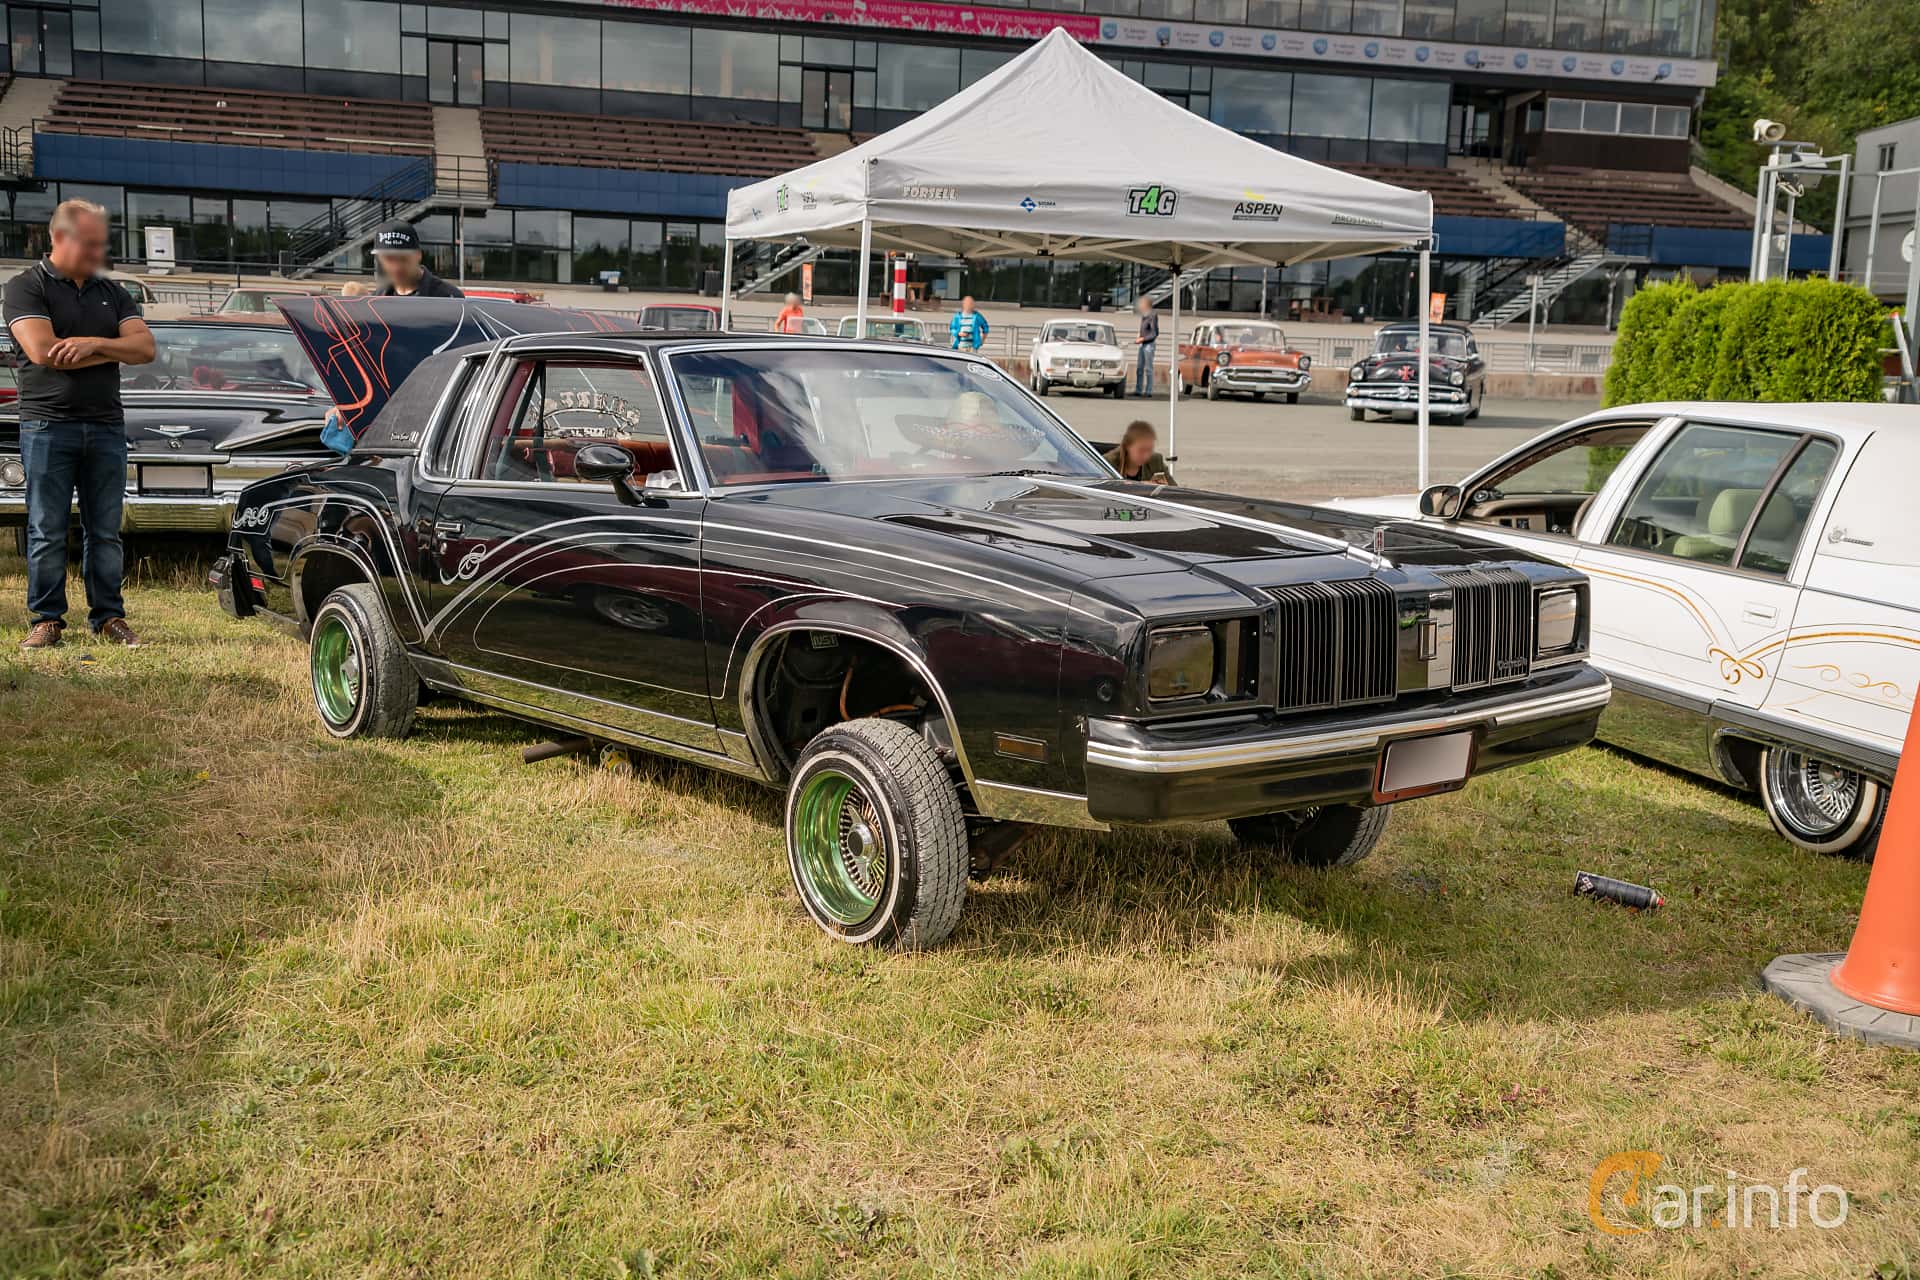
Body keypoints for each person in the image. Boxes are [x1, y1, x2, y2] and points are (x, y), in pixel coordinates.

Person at [4, 199, 157, 649]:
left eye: (100, 245)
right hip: (48, 426)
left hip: (107, 425)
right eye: (89, 244)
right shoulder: (24, 287)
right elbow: (43, 351)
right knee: (47, 528)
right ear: (59, 238)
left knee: (105, 531)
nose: (98, 253)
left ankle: (109, 618)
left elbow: (146, 349)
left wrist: (91, 343)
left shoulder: (113, 291)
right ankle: (46, 619)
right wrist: (113, 347)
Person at [369, 221, 464, 298]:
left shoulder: (449, 297)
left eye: (403, 258)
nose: (396, 267)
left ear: (418, 255)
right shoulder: (376, 300)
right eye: (389, 259)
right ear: (379, 258)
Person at [1104, 420, 1173, 485]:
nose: (1146, 455)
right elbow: (1103, 491)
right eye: (1141, 450)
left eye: (1150, 450)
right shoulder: (1107, 463)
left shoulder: (1156, 461)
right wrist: (1142, 486)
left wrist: (1166, 488)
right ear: (1127, 446)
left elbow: (1176, 490)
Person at [1133, 296, 1159, 397]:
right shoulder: (1144, 316)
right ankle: (1138, 390)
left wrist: (1142, 339)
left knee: (1148, 368)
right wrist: (1139, 337)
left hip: (1149, 345)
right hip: (1142, 345)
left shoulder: (1152, 315)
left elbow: (1154, 333)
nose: (1140, 306)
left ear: (1146, 305)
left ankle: (1148, 391)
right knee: (1139, 368)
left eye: (1141, 304)